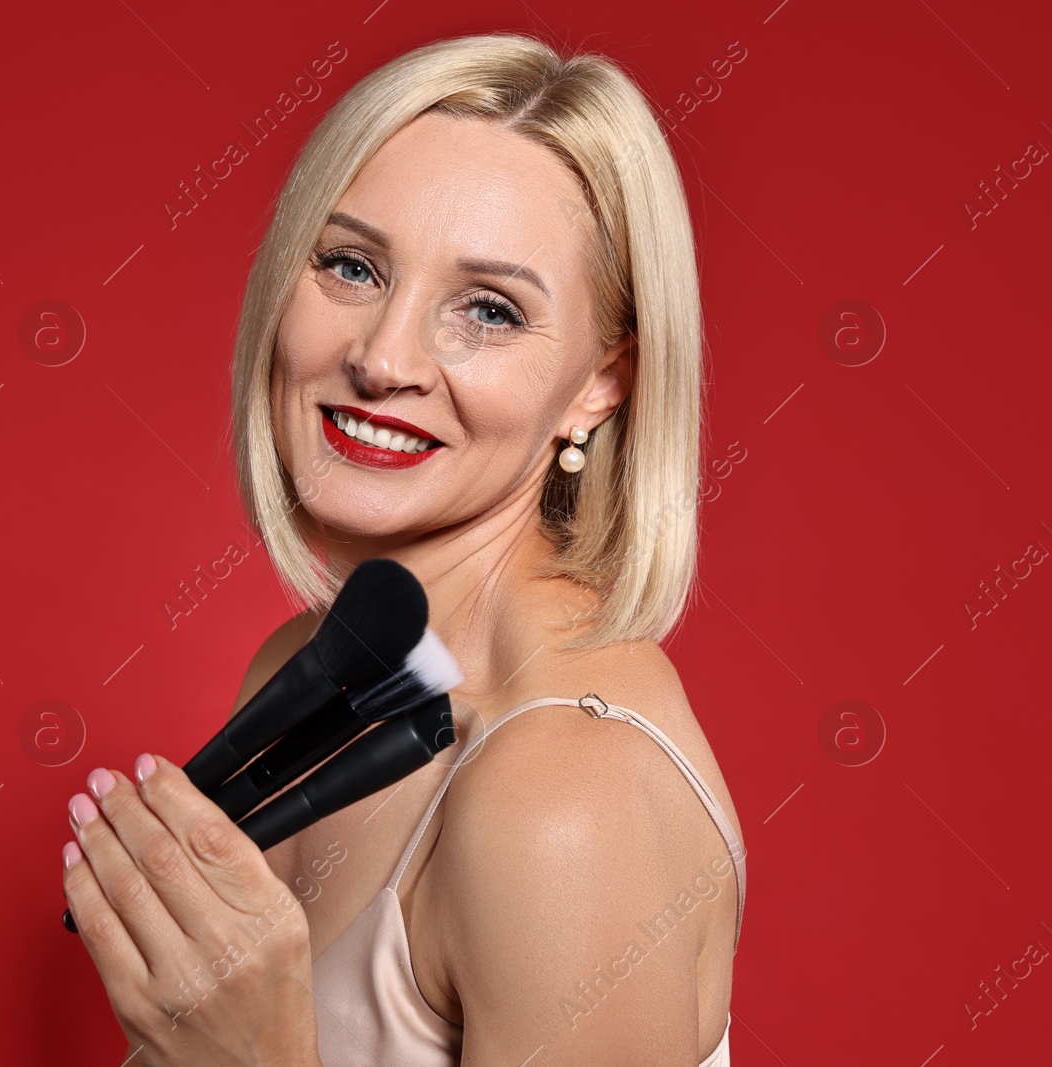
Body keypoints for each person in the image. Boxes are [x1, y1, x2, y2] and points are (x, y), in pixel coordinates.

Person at [60, 30, 746, 1066]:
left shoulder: (566, 803)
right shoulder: (302, 669)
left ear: (603, 383)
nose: (381, 358)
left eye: (487, 308)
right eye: (351, 264)